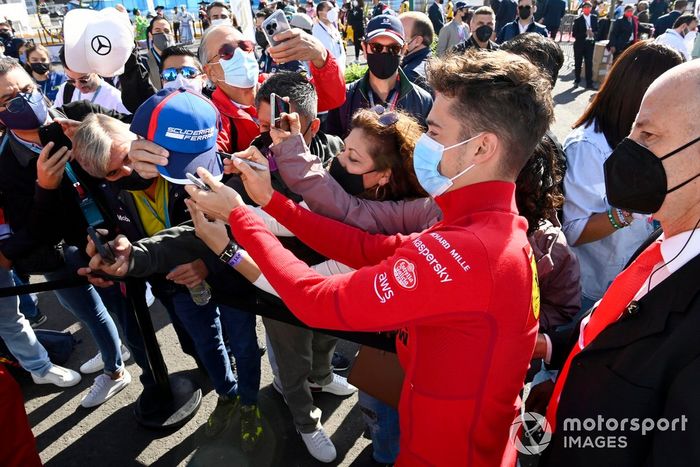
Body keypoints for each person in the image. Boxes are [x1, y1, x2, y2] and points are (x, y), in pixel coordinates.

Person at [185, 48, 552, 467]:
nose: (423, 145)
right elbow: (365, 247)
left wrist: (237, 217)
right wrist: (270, 202)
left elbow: (316, 300)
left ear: (482, 147)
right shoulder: (484, 228)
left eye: (434, 131)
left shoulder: (467, 250)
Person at [72, 89, 265, 451]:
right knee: (206, 346)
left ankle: (251, 404)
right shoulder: (106, 185)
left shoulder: (188, 157)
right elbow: (118, 232)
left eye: (128, 158)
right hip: (175, 287)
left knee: (243, 343)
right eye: (113, 172)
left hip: (229, 277)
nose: (127, 172)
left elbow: (237, 224)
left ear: (136, 136)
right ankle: (227, 395)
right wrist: (112, 254)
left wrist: (205, 263)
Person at [541, 58, 700, 467]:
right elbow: (611, 320)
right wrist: (547, 345)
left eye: (647, 135)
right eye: (631, 131)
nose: (628, 151)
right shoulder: (665, 235)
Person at [0, 58, 133, 408]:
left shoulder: (78, 112)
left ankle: (124, 358)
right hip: (61, 254)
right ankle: (114, 362)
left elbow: (135, 134)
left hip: (111, 236)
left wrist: (96, 135)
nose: (22, 101)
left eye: (26, 90)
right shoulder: (6, 161)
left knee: (124, 309)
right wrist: (45, 186)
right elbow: (30, 228)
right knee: (89, 312)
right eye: (7, 100)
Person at [561, 41, 682, 313]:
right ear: (641, 93)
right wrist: (631, 210)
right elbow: (573, 231)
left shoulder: (662, 141)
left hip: (634, 284)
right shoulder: (589, 146)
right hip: (590, 290)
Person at [196, 23, 345, 153]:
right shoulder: (212, 117)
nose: (241, 55)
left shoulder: (277, 83)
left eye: (244, 46)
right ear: (210, 72)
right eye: (227, 52)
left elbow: (331, 98)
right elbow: (208, 155)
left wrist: (320, 55)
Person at [327, 15, 433, 137]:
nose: (384, 53)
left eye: (394, 48)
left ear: (404, 50)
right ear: (364, 48)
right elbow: (333, 149)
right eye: (376, 47)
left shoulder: (423, 101)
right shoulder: (344, 98)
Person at [54, 48, 130, 114]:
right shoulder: (66, 90)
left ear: (96, 69)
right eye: (71, 80)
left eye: (83, 80)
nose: (78, 85)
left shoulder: (115, 99)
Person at [399, 11, 435, 93]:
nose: (395, 39)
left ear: (417, 41)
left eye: (400, 34)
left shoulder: (410, 75)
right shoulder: (433, 63)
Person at [313, 1, 346, 72]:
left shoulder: (333, 28)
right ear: (320, 13)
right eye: (329, 9)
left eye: (332, 9)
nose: (333, 12)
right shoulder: (316, 31)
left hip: (340, 71)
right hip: (328, 74)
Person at [572, 2, 598, 88]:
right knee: (578, 62)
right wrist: (585, 33)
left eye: (589, 7)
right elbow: (574, 34)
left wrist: (593, 34)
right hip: (579, 44)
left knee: (589, 63)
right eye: (585, 7)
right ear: (582, 9)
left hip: (590, 44)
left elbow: (598, 31)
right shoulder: (578, 20)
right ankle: (577, 80)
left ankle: (589, 83)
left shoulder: (594, 18)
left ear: (591, 8)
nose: (587, 8)